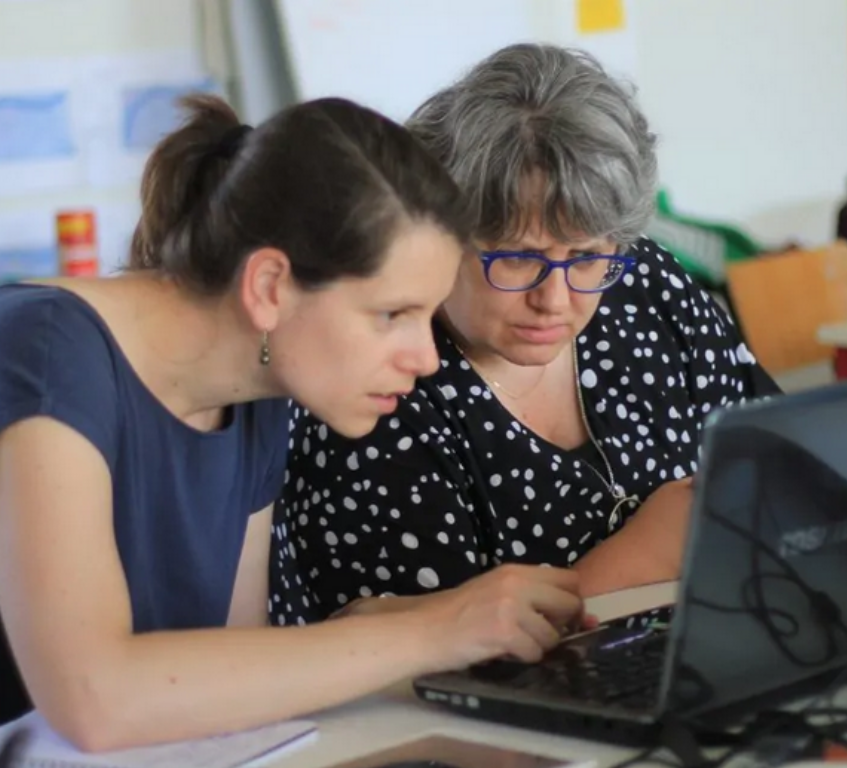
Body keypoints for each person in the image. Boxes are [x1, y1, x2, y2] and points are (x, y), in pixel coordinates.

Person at [0, 95, 593, 754]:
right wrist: (434, 631)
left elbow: (220, 666)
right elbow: (95, 698)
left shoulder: (259, 391)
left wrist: (380, 630)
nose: (426, 358)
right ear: (268, 287)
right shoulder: (41, 356)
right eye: (392, 315)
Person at [269, 44, 780, 627]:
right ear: (439, 235)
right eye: (517, 258)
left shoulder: (648, 287)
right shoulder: (381, 385)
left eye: (586, 257)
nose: (554, 300)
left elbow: (785, 473)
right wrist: (637, 561)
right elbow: (400, 668)